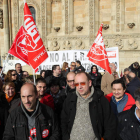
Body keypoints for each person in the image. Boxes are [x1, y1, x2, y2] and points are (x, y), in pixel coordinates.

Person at [61, 71, 117, 140]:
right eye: (77, 84)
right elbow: (63, 122)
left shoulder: (101, 100)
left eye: (82, 83)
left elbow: (110, 125)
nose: (80, 87)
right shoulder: (69, 100)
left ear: (89, 83)